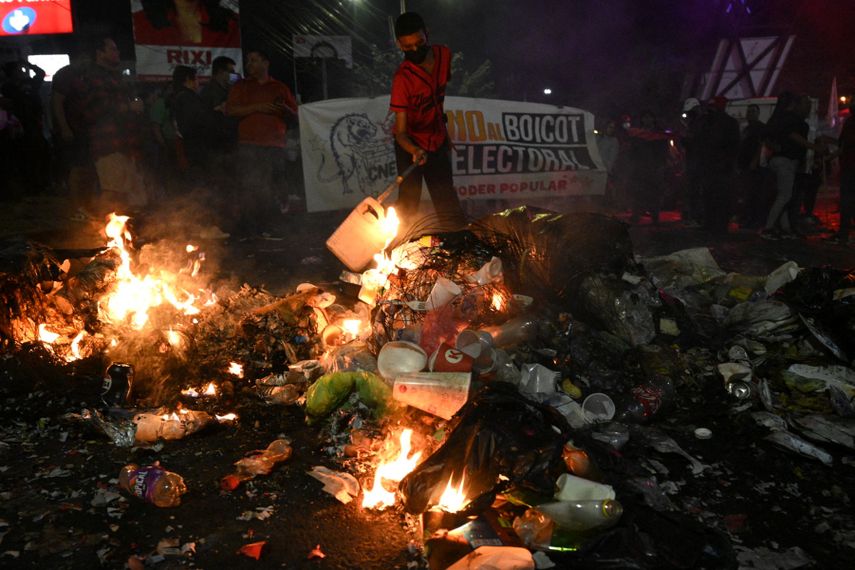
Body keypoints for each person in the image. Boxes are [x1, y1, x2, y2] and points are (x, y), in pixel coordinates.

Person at [390, 11, 465, 230]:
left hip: (437, 140)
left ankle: (460, 245)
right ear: (399, 45)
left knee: (446, 200)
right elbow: (400, 132)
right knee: (408, 204)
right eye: (407, 47)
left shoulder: (444, 55)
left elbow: (437, 100)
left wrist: (444, 134)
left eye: (419, 43)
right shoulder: (402, 78)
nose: (415, 50)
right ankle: (398, 249)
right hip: (409, 145)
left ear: (427, 35)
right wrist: (414, 149)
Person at [71, 37, 148, 214]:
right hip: (109, 144)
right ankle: (107, 235)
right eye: (112, 49)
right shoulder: (92, 77)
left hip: (126, 144)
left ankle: (132, 235)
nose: (117, 53)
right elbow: (97, 110)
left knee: (136, 196)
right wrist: (129, 106)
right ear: (99, 53)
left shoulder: (114, 77)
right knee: (114, 195)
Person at [226, 49, 297, 236]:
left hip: (274, 145)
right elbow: (231, 111)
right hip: (249, 144)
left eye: (254, 60)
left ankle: (273, 225)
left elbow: (295, 114)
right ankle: (251, 227)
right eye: (248, 61)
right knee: (251, 185)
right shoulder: (241, 86)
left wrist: (283, 110)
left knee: (274, 185)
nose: (250, 64)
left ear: (266, 63)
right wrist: (258, 107)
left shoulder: (279, 87)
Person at [761, 92, 825, 240]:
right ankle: (768, 228)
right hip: (786, 161)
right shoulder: (794, 121)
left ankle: (785, 228)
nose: (808, 108)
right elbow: (793, 136)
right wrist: (813, 147)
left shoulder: (780, 119)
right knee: (785, 196)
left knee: (784, 195)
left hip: (780, 160)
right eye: (806, 105)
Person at [698, 96, 740, 233]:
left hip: (718, 167)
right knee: (716, 197)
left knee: (715, 197)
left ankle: (715, 224)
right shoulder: (715, 122)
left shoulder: (713, 122)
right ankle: (716, 224)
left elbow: (732, 146)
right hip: (717, 167)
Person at [625, 111, 669, 223]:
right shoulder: (637, 135)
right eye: (645, 118)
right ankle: (636, 214)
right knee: (638, 192)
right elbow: (632, 151)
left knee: (654, 192)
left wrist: (661, 166)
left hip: (654, 167)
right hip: (640, 167)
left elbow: (663, 153)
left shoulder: (659, 136)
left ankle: (655, 215)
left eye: (649, 118)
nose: (647, 120)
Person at [737, 104, 770, 228]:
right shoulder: (746, 129)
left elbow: (762, 146)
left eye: (753, 111)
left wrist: (755, 161)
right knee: (748, 194)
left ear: (758, 113)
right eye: (748, 111)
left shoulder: (760, 128)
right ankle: (748, 218)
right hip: (746, 166)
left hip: (755, 167)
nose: (750, 113)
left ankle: (754, 220)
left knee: (754, 194)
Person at [828, 104, 854, 245]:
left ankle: (844, 233)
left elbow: (843, 145)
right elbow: (843, 145)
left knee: (847, 201)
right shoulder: (849, 122)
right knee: (847, 201)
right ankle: (844, 233)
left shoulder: (850, 123)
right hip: (848, 168)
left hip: (849, 168)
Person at [680, 98, 705, 227]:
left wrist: (684, 137)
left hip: (697, 163)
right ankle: (695, 216)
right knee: (694, 190)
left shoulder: (698, 125)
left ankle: (696, 217)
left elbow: (693, 143)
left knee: (695, 190)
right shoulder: (697, 124)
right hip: (695, 162)